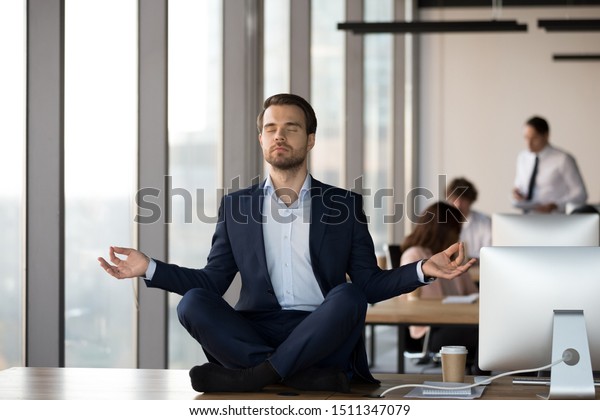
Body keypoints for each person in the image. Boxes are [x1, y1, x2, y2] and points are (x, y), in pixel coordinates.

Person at [98, 93, 475, 393]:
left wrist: (424, 269)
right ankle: (296, 373)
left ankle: (253, 376)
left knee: (347, 296)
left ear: (309, 140)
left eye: (291, 128)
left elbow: (367, 284)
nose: (279, 135)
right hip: (256, 329)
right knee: (195, 302)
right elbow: (213, 282)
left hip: (322, 330)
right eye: (271, 127)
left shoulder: (343, 204)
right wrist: (150, 267)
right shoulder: (236, 206)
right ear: (261, 137)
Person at [400, 201, 481, 373]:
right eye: (456, 230)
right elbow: (426, 305)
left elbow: (472, 294)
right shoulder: (415, 255)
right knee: (485, 337)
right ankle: (482, 380)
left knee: (492, 332)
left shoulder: (452, 256)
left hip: (459, 322)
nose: (458, 236)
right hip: (432, 330)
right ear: (442, 230)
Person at [512, 115, 587, 213]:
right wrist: (517, 194)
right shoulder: (522, 157)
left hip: (555, 219)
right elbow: (519, 186)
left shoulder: (563, 159)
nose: (529, 143)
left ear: (546, 135)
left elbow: (580, 194)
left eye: (534, 138)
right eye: (526, 138)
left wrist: (556, 205)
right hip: (528, 217)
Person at [445, 177, 491, 259]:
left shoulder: (485, 222)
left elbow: (489, 253)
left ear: (470, 200)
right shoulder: (442, 223)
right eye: (454, 199)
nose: (458, 204)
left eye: (462, 200)